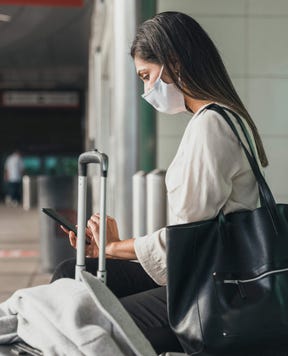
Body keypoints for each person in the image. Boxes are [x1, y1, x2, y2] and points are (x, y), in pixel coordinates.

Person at [51, 11, 269, 354]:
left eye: (146, 76)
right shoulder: (221, 118)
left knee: (83, 317)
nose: (145, 90)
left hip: (210, 285)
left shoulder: (211, 126)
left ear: (175, 64)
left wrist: (112, 248)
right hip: (208, 269)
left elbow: (186, 243)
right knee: (72, 273)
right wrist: (111, 249)